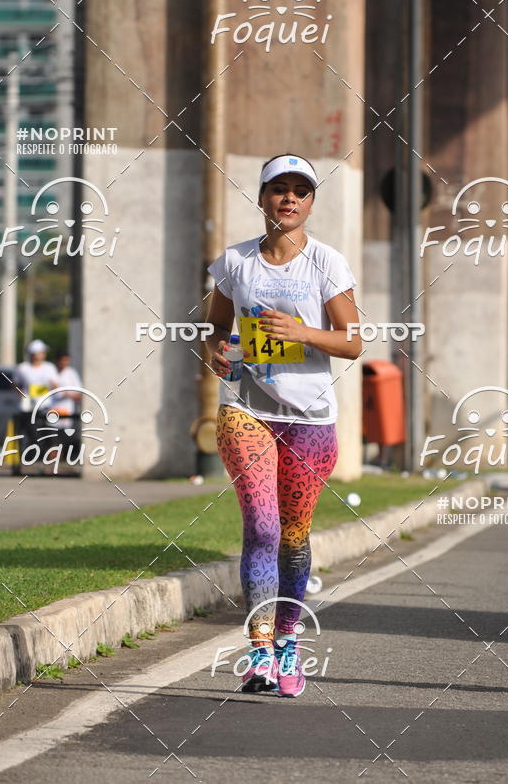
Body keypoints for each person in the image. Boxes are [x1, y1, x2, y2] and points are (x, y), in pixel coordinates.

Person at [205, 153, 362, 697]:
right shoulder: (234, 261)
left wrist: (301, 333)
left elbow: (353, 342)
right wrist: (215, 354)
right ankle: (259, 651)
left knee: (294, 536)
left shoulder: (327, 264)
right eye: (279, 189)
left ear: (311, 202)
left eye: (301, 190)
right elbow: (214, 329)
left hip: (310, 419)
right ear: (262, 197)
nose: (289, 198)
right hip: (246, 410)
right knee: (263, 528)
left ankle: (290, 639)